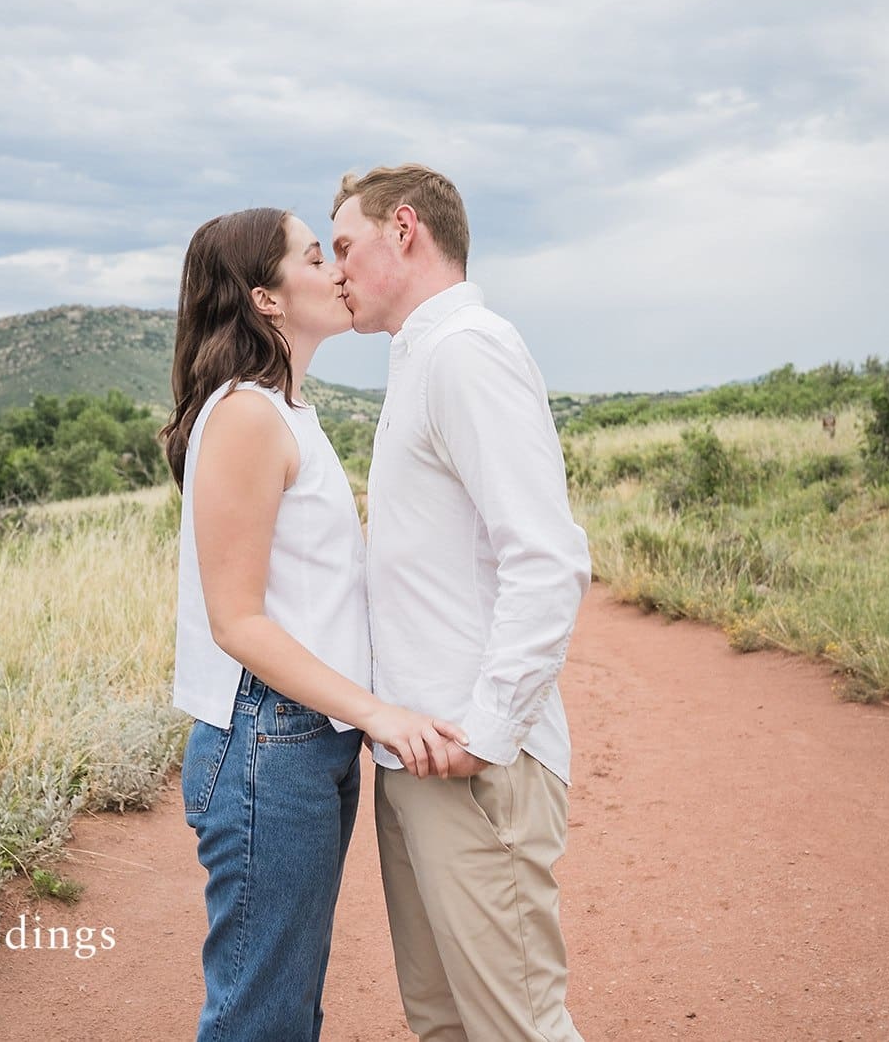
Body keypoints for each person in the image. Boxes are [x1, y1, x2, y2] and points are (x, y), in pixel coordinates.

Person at [162, 206, 467, 1042]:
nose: (337, 270)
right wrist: (379, 713)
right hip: (268, 740)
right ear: (265, 297)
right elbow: (237, 622)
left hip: (306, 741)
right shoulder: (246, 415)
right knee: (261, 1015)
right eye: (313, 256)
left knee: (286, 1006)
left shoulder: (287, 411)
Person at [331, 166, 593, 1042]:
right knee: (442, 1022)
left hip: (473, 766)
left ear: (403, 229)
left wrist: (488, 730)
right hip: (416, 757)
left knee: (518, 1028)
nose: (336, 270)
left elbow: (547, 557)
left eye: (345, 246)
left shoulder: (466, 350)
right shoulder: (419, 358)